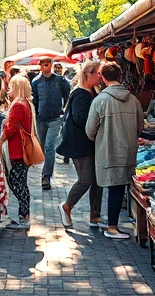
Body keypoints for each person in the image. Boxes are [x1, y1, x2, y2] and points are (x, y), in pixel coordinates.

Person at [86, 62, 143, 239]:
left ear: (102, 78)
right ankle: (126, 226)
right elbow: (140, 128)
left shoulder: (100, 101)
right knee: (123, 188)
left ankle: (112, 227)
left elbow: (90, 130)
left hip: (107, 150)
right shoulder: (133, 100)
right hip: (129, 150)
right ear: (120, 76)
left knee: (114, 188)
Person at [57, 61, 104, 228]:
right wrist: (98, 125)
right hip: (80, 144)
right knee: (86, 180)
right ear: (88, 74)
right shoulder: (82, 94)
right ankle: (67, 206)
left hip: (88, 143)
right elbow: (80, 118)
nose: (101, 76)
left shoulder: (90, 91)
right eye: (98, 73)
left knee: (97, 180)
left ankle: (95, 216)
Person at [0, 74, 35, 230]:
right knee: (20, 183)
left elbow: (10, 128)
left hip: (18, 150)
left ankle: (24, 218)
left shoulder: (19, 104)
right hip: (20, 149)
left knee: (16, 183)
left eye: (11, 87)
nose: (8, 90)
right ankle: (24, 216)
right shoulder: (24, 103)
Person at [31, 57, 71, 190]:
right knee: (43, 148)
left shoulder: (60, 81)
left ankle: (46, 177)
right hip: (41, 118)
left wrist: (63, 111)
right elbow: (34, 100)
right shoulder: (36, 82)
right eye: (42, 64)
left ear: (51, 65)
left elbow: (67, 96)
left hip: (55, 118)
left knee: (49, 147)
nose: (45, 66)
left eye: (47, 64)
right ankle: (46, 173)